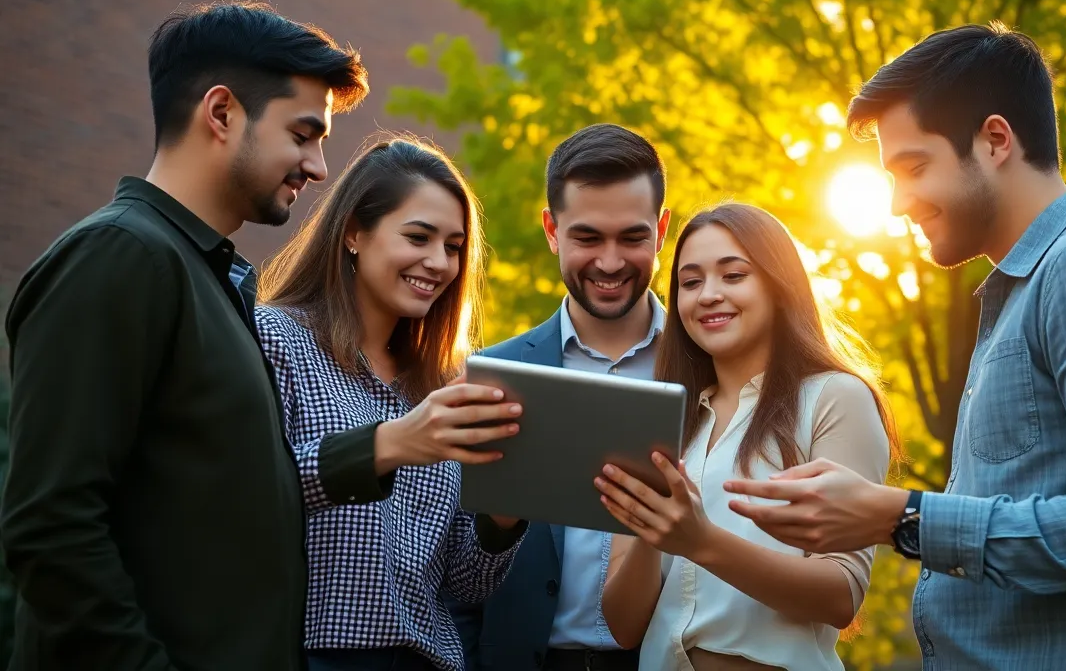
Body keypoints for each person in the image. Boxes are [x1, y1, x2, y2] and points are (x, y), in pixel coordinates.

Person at [727, 23, 1066, 670]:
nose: (898, 203)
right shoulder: (1019, 295)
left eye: (914, 168)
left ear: (994, 141)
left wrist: (902, 517)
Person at [2, 1, 370, 670]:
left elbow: (212, 492)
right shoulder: (120, 257)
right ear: (222, 112)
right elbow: (50, 526)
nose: (317, 167)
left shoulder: (203, 273)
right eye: (304, 134)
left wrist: (391, 446)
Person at [254, 136, 528, 671]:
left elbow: (463, 583)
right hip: (310, 655)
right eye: (419, 237)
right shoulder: (276, 339)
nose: (439, 262)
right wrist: (390, 445)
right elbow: (247, 494)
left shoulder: (445, 386)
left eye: (453, 247)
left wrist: (506, 513)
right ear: (355, 232)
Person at [595, 202, 898, 671]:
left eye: (733, 275)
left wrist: (700, 541)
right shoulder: (656, 420)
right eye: (691, 283)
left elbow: (842, 593)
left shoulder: (835, 398)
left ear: (779, 287)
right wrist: (654, 532)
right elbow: (623, 625)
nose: (709, 294)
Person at [449, 123, 671, 671]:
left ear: (662, 231)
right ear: (552, 230)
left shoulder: (712, 372)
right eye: (588, 238)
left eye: (633, 237)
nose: (611, 262)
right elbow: (454, 566)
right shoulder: (495, 375)